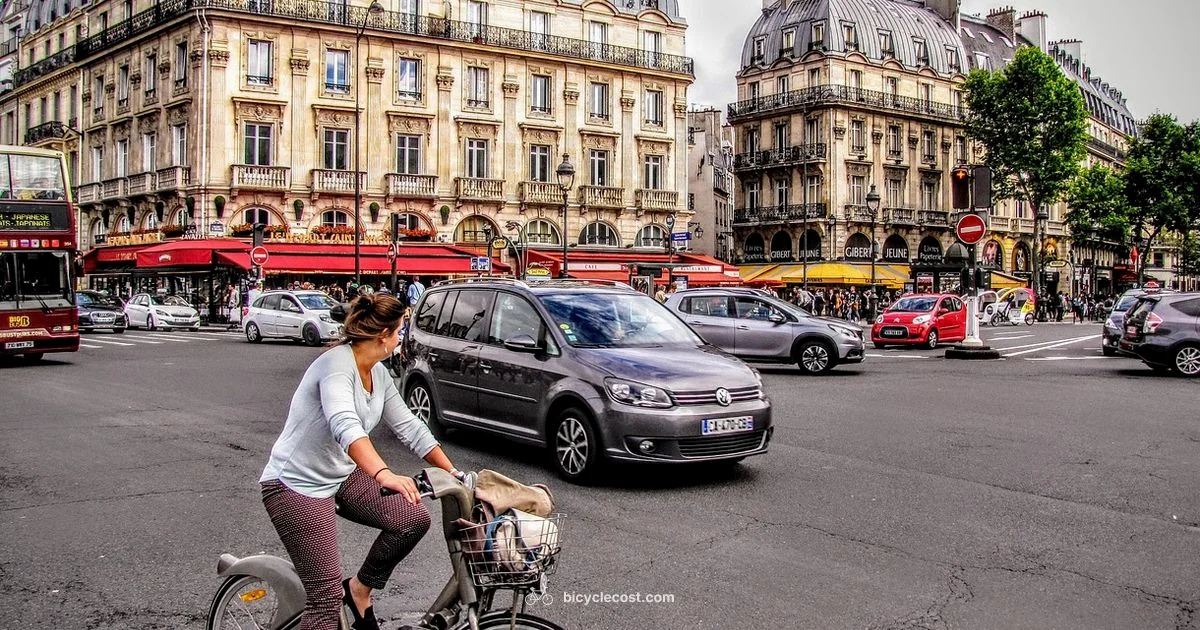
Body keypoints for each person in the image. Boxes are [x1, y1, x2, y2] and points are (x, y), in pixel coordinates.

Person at [259, 294, 465, 630]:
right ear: (384, 335)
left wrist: (453, 473)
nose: (401, 338)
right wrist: (384, 474)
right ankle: (333, 603)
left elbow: (411, 427)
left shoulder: (378, 374)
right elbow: (345, 425)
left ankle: (359, 590)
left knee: (411, 518)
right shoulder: (336, 366)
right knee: (324, 600)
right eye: (400, 331)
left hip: (339, 475)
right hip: (295, 486)